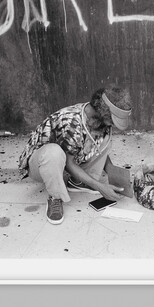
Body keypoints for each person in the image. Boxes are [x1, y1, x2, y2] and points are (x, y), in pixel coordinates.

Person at [24, 85, 136, 222]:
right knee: (54, 152)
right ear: (104, 112)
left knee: (105, 135)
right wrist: (100, 187)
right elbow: (69, 164)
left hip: (65, 158)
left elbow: (99, 147)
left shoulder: (96, 117)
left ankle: (78, 182)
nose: (113, 125)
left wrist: (114, 174)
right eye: (112, 120)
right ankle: (55, 197)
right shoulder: (72, 121)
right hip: (40, 164)